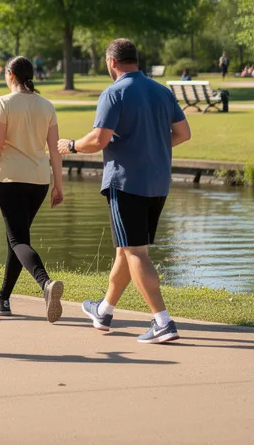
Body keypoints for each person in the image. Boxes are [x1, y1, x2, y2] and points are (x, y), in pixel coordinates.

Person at [59, 38, 192, 344]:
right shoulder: (161, 91)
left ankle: (163, 321)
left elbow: (98, 140)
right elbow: (183, 133)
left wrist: (70, 145)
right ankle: (104, 310)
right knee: (125, 248)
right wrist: (151, 145)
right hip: (158, 183)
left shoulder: (113, 93)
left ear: (112, 63)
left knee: (135, 251)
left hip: (126, 182)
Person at [0, 56, 67, 322]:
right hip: (39, 180)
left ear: (12, 74)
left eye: (5, 72)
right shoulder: (47, 105)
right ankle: (2, 298)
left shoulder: (3, 102)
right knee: (16, 238)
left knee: (17, 240)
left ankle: (46, 284)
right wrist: (58, 185)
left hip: (11, 179)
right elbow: (55, 150)